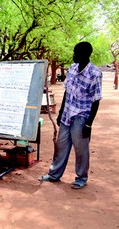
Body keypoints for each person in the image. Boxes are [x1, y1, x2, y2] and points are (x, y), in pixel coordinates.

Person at [38, 42, 102, 189]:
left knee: (80, 149)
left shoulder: (95, 73)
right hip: (67, 113)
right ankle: (54, 174)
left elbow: (96, 101)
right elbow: (67, 91)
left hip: (82, 116)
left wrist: (88, 124)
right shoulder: (72, 68)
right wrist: (60, 113)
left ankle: (81, 178)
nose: (73, 55)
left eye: (76, 53)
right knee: (61, 145)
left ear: (85, 55)